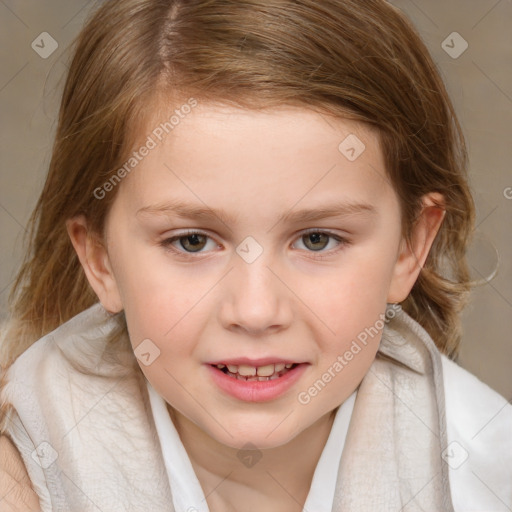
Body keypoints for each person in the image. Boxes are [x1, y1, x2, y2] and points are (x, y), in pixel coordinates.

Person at [1, 0, 510, 510]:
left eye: (317, 239)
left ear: (409, 248)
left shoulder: (485, 474)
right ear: (101, 259)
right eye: (192, 241)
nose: (256, 310)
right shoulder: (23, 477)